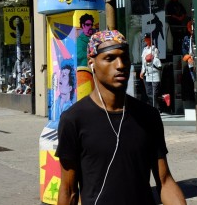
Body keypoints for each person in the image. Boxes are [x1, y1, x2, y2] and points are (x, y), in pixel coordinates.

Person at [56, 30, 186, 205]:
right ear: (92, 63)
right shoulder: (74, 119)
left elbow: (165, 181)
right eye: (109, 58)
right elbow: (69, 191)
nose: (120, 65)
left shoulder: (148, 116)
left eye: (124, 58)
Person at [140, 32, 162, 110]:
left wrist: (150, 58)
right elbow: (143, 62)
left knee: (154, 92)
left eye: (148, 39)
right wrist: (142, 71)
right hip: (146, 73)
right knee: (148, 92)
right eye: (145, 39)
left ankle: (156, 107)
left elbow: (155, 61)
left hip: (154, 73)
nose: (146, 41)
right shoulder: (145, 49)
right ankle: (153, 107)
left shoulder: (154, 49)